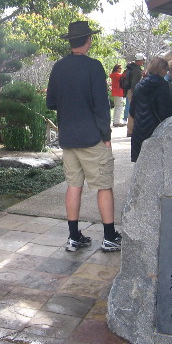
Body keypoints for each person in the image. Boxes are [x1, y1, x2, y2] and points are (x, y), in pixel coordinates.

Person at [46, 21, 121, 253]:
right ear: (89, 40)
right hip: (92, 138)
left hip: (68, 138)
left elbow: (51, 102)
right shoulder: (94, 67)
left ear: (70, 42)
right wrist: (106, 136)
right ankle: (109, 237)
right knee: (104, 186)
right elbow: (101, 105)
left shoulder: (58, 67)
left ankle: (73, 236)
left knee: (73, 186)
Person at [129, 56, 172, 162]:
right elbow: (165, 112)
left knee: (141, 164)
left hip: (139, 129)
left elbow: (132, 110)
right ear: (162, 69)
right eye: (166, 69)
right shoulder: (163, 85)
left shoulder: (140, 85)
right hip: (155, 129)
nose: (167, 72)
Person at [124, 53, 145, 136]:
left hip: (130, 91)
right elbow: (134, 84)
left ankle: (130, 130)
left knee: (132, 110)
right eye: (142, 60)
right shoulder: (136, 70)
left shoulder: (131, 68)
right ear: (139, 61)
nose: (143, 62)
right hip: (133, 92)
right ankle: (131, 130)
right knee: (133, 111)